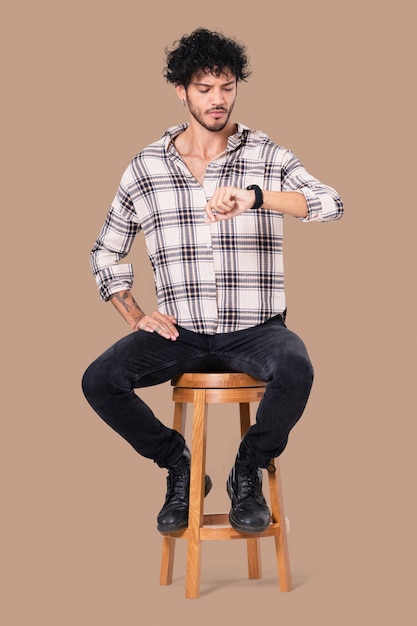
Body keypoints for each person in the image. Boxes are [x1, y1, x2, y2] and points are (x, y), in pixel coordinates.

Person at [82, 27, 343, 535]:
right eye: (205, 89)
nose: (217, 99)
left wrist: (257, 197)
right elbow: (106, 252)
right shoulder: (145, 167)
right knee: (99, 380)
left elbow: (331, 203)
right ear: (181, 91)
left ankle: (247, 470)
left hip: (256, 327)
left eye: (226, 86)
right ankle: (179, 466)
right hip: (182, 332)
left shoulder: (265, 154)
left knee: (296, 368)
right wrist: (136, 317)